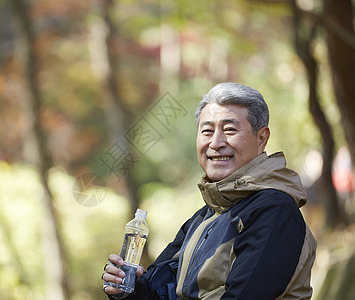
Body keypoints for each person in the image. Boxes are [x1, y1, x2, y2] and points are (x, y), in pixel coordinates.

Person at [102, 82, 317, 299]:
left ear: (261, 138)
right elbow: (159, 291)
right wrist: (127, 289)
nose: (215, 143)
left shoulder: (274, 210)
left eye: (229, 130)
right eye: (207, 131)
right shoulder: (207, 215)